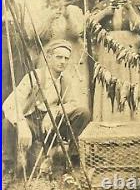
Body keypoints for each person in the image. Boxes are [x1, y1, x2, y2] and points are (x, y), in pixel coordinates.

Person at [2, 39, 90, 178]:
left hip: (52, 126)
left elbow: (73, 103)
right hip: (31, 123)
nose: (63, 61)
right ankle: (8, 169)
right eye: (59, 57)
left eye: (66, 58)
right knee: (6, 123)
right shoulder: (34, 76)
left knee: (83, 113)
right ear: (48, 57)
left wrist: (54, 112)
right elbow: (9, 104)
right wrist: (22, 123)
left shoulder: (65, 80)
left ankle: (72, 162)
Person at [91, 0, 140, 121]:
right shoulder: (103, 4)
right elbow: (89, 24)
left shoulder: (134, 3)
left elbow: (139, 25)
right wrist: (105, 12)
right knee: (111, 80)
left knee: (131, 80)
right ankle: (111, 119)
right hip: (109, 49)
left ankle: (134, 120)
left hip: (130, 45)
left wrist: (129, 8)